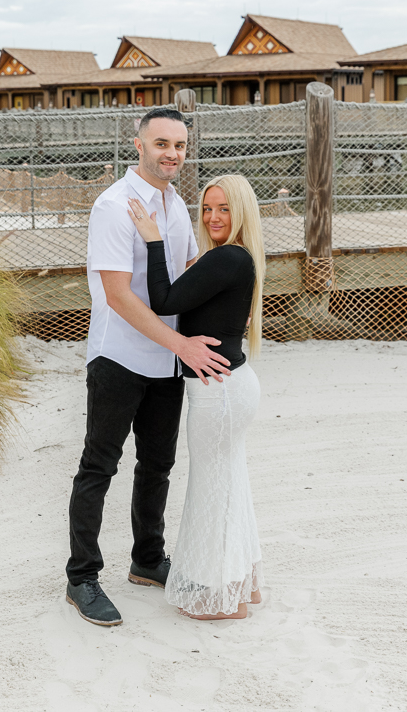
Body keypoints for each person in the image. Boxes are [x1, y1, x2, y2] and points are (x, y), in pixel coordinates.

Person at [65, 107, 231, 628]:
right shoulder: (113, 206)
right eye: (161, 144)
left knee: (158, 465)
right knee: (99, 467)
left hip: (167, 360)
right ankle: (81, 578)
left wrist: (230, 297)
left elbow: (183, 275)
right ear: (138, 145)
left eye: (179, 145)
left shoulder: (177, 204)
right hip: (119, 356)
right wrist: (183, 345)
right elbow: (118, 295)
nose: (172, 154)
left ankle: (147, 561)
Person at [127, 173, 265, 620]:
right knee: (229, 485)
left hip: (218, 394)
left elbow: (164, 301)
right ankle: (239, 586)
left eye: (224, 208)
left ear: (241, 212)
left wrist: (153, 240)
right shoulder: (235, 257)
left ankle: (221, 599)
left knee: (213, 489)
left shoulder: (227, 257)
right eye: (207, 208)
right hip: (230, 388)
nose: (213, 217)